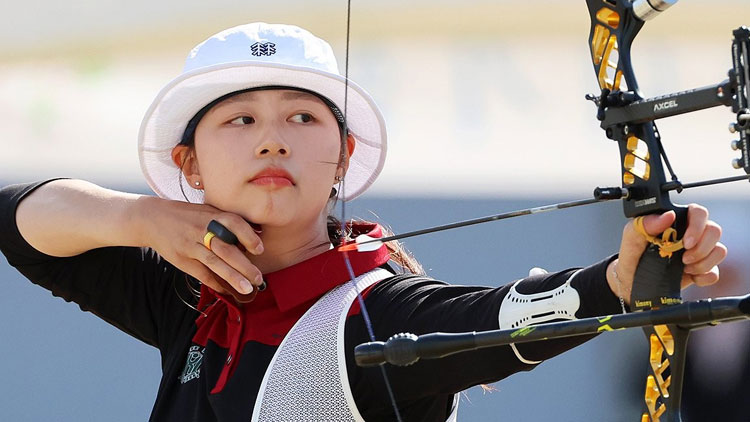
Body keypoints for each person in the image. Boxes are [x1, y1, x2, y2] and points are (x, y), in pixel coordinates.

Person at [0, 22, 725, 422]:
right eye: (241, 119)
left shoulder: (372, 311)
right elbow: (19, 222)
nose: (273, 138)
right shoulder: (190, 293)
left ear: (342, 155)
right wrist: (143, 217)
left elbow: (498, 319)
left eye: (302, 117)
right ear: (189, 164)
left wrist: (620, 279)